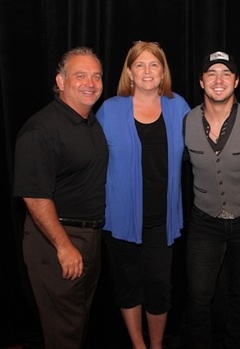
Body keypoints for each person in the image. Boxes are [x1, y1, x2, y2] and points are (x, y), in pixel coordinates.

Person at [96, 41, 190, 349]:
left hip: (162, 220)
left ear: (163, 72)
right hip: (120, 217)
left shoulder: (179, 106)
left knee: (160, 287)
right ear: (129, 72)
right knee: (128, 286)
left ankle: (157, 345)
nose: (147, 71)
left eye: (154, 65)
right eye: (140, 65)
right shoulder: (110, 109)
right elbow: (91, 160)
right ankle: (138, 344)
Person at [13, 47, 107, 349]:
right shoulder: (41, 129)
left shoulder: (90, 122)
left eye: (96, 76)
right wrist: (64, 247)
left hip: (88, 238)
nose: (90, 83)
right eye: (80, 76)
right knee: (64, 333)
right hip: (57, 241)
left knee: (75, 324)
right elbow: (34, 195)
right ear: (60, 81)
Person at [184, 51, 240, 348]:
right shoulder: (187, 121)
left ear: (236, 81)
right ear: (202, 81)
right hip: (204, 222)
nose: (219, 80)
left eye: (226, 74)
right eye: (211, 73)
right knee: (199, 297)